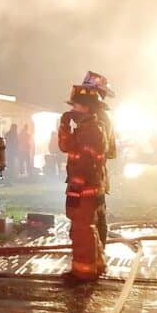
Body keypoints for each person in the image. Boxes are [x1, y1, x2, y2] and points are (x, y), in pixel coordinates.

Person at [58, 83, 110, 281]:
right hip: (85, 186)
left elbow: (85, 163)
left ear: (86, 108)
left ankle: (83, 272)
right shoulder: (85, 128)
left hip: (84, 187)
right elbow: (65, 146)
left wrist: (76, 188)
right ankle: (97, 263)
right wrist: (64, 125)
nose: (72, 109)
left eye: (76, 106)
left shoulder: (91, 131)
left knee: (81, 229)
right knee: (88, 226)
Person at [80, 70, 117, 245]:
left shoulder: (100, 117)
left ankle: (97, 250)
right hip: (87, 173)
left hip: (93, 174)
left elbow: (104, 149)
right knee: (90, 212)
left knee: (95, 213)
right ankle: (94, 250)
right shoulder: (94, 116)